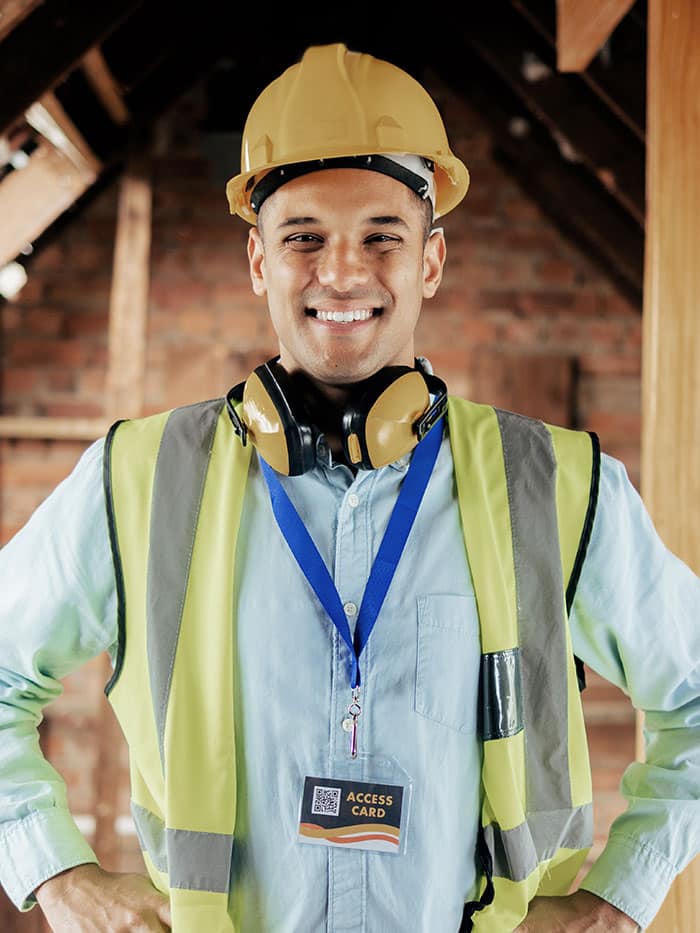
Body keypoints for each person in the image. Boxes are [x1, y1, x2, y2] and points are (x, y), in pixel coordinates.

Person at [1, 41, 699, 933]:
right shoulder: (137, 479)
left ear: (431, 263)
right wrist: (59, 876)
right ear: (259, 263)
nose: (342, 273)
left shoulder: (553, 486)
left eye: (382, 237)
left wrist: (619, 899)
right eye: (303, 239)